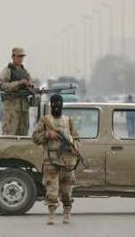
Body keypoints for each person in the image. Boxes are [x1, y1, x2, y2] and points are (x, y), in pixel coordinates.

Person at [32, 94, 80, 225]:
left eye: (59, 104)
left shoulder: (68, 120)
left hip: (67, 161)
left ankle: (67, 212)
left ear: (62, 105)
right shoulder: (45, 121)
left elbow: (76, 138)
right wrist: (48, 134)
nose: (56, 106)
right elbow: (35, 138)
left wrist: (74, 148)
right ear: (51, 105)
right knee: (51, 189)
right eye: (54, 104)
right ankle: (52, 213)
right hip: (51, 160)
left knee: (66, 190)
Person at [0, 47, 33, 135]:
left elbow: (32, 83)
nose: (20, 59)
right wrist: (18, 84)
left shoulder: (25, 72)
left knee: (23, 134)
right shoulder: (7, 71)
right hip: (12, 108)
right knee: (10, 133)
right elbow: (2, 85)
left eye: (22, 57)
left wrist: (30, 85)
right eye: (19, 56)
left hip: (23, 108)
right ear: (13, 57)